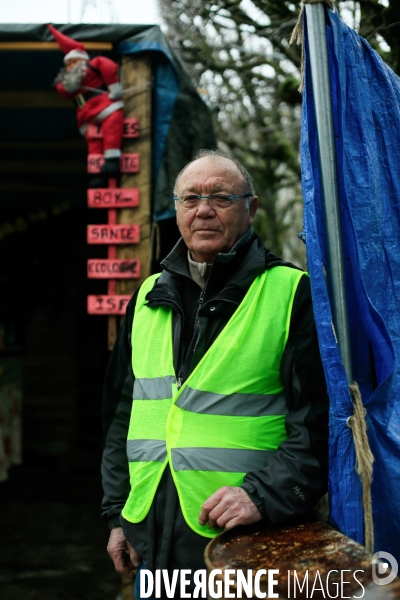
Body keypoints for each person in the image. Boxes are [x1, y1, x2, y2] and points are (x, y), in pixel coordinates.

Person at [101, 149, 329, 598]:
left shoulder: (293, 294)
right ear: (177, 209)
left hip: (246, 542)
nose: (203, 209)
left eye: (221, 197)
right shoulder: (147, 296)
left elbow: (320, 424)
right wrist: (117, 515)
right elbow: (122, 417)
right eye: (190, 198)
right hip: (152, 540)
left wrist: (262, 495)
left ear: (252, 208)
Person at [47, 24, 124, 186]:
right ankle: (96, 173)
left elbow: (108, 67)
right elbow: (63, 91)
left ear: (82, 59)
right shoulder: (70, 82)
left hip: (105, 107)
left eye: (73, 62)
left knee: (112, 129)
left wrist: (114, 89)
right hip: (85, 115)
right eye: (68, 64)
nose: (70, 67)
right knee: (94, 144)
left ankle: (112, 161)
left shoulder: (94, 65)